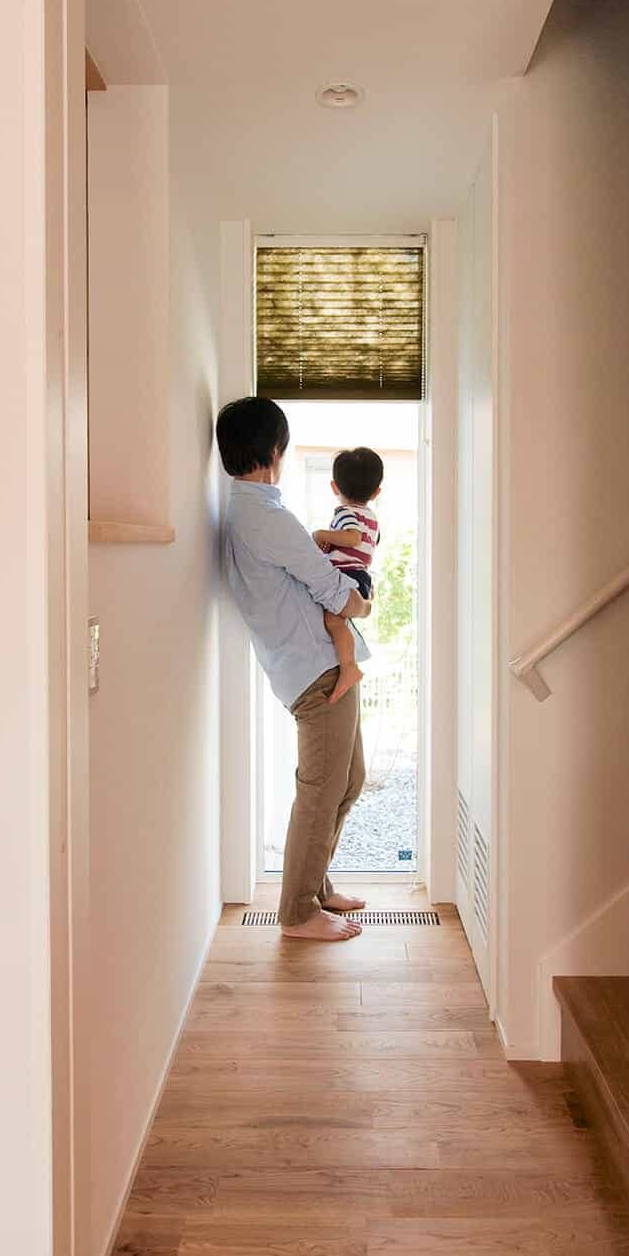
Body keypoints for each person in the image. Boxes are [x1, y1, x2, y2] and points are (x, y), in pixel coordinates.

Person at [216, 396, 373, 942]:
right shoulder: (267, 518)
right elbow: (334, 590)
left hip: (312, 664)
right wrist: (361, 605)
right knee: (322, 790)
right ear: (274, 451)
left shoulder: (246, 513)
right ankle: (299, 912)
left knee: (346, 781)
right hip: (316, 670)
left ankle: (316, 885)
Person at [312, 447, 384, 705]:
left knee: (333, 621)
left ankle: (348, 667)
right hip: (360, 577)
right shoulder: (372, 519)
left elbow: (352, 538)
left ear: (334, 486)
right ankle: (349, 664)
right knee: (340, 621)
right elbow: (364, 544)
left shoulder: (344, 513)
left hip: (348, 576)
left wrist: (321, 535)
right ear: (376, 492)